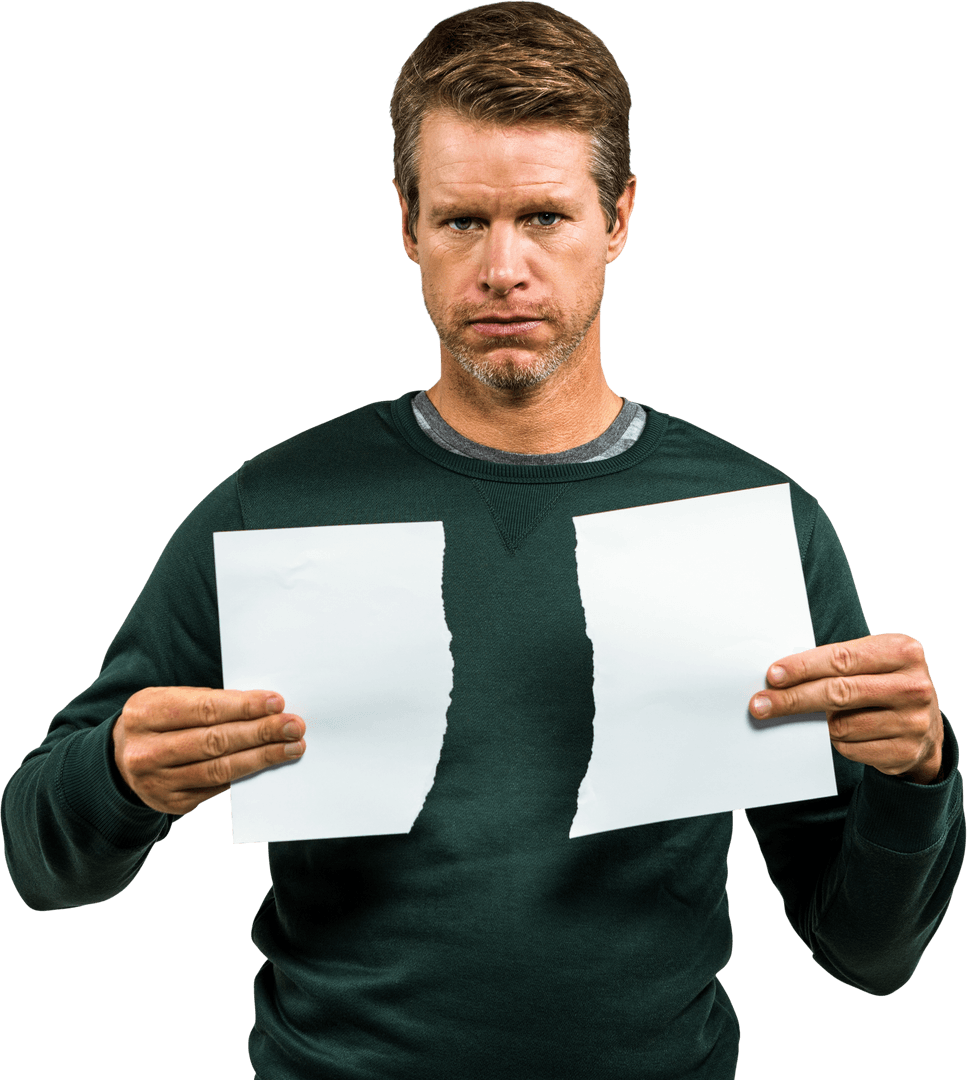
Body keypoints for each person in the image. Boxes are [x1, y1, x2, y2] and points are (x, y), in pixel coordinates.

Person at [2, 3, 963, 1078]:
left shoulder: (753, 524)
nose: (503, 268)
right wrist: (120, 779)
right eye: (463, 221)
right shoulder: (274, 504)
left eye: (545, 217)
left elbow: (865, 953)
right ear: (407, 222)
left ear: (619, 219)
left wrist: (918, 775)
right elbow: (42, 863)